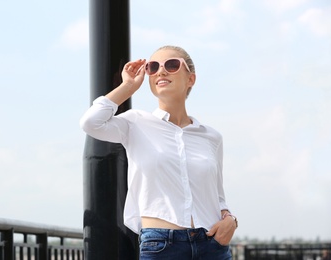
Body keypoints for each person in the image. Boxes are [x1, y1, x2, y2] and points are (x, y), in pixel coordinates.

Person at [80, 45, 237, 259]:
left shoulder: (211, 137)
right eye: (152, 67)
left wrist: (230, 219)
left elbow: (218, 196)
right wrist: (127, 86)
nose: (161, 71)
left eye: (171, 65)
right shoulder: (136, 123)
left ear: (191, 79)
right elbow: (91, 122)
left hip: (212, 245)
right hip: (162, 245)